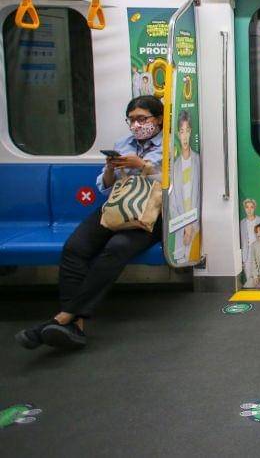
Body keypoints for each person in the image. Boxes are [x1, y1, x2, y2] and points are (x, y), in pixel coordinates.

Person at [14, 96, 164, 351]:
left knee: (117, 247)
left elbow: (174, 183)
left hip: (152, 213)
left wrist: (144, 166)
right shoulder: (123, 144)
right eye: (132, 120)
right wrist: (110, 169)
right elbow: (105, 188)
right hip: (117, 206)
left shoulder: (171, 145)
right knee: (75, 248)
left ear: (158, 119)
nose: (136, 125)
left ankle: (64, 317)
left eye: (142, 119)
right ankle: (75, 325)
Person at [168, 110, 200, 265]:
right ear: (178, 134)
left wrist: (192, 225)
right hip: (181, 228)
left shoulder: (198, 160)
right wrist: (185, 225)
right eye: (182, 132)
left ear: (191, 132)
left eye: (187, 131)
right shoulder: (175, 166)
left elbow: (200, 196)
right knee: (181, 259)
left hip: (197, 227)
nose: (185, 136)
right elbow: (172, 202)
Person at [239, 198, 260, 282]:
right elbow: (241, 241)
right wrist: (242, 259)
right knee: (249, 279)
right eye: (247, 207)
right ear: (244, 208)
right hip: (246, 255)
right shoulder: (242, 223)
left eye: (251, 207)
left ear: (255, 208)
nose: (249, 209)